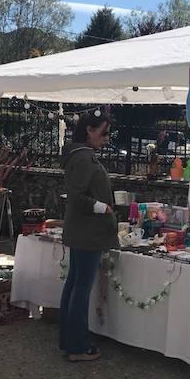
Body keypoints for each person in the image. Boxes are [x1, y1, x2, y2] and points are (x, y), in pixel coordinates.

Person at [60, 111, 118, 362]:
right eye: (103, 132)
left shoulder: (80, 156)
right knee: (80, 288)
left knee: (74, 285)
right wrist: (102, 207)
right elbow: (77, 196)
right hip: (88, 233)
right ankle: (77, 345)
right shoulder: (83, 158)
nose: (106, 138)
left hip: (83, 231)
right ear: (89, 131)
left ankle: (70, 340)